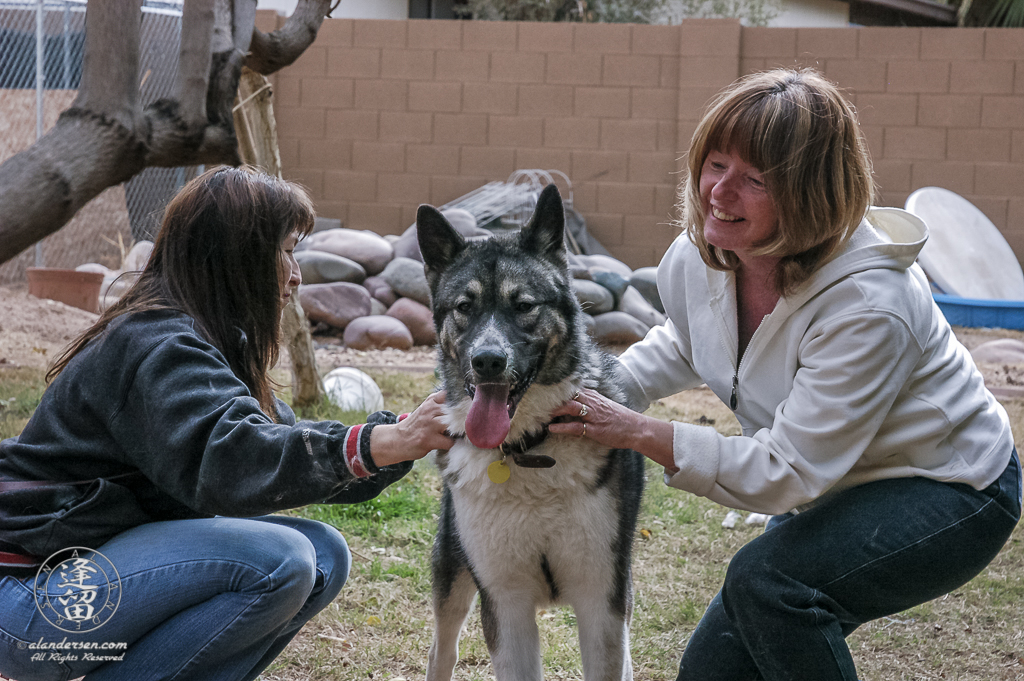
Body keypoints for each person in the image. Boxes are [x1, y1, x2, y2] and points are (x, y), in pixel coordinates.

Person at [549, 68, 1021, 680]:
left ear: (812, 193)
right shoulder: (700, 256)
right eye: (716, 164)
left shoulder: (871, 306)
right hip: (833, 479)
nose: (719, 192)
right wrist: (584, 393)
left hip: (949, 486)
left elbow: (787, 471)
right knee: (713, 672)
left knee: (770, 585)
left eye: (755, 180)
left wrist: (636, 431)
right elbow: (686, 342)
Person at [0, 166, 454, 681]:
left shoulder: (207, 340)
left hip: (79, 579)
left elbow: (280, 444)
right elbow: (238, 461)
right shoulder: (157, 345)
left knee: (325, 554)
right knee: (283, 559)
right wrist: (383, 442)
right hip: (26, 600)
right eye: (284, 252)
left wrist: (408, 431)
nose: (296, 273)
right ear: (234, 256)